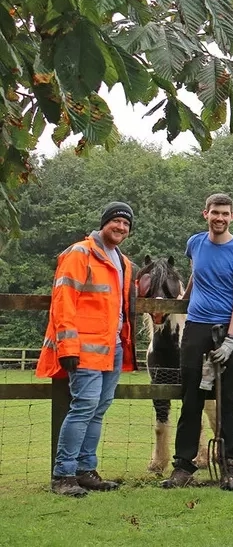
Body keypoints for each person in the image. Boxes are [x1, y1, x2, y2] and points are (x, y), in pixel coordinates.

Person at [38, 202, 138, 497]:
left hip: (113, 347)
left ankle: (86, 470)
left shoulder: (124, 262)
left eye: (126, 224)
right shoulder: (80, 253)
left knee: (98, 410)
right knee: (83, 408)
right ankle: (64, 475)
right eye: (116, 221)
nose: (121, 227)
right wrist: (67, 345)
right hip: (84, 347)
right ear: (104, 222)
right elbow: (63, 300)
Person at [162, 193, 233, 491]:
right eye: (215, 213)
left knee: (229, 399)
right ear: (206, 214)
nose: (220, 218)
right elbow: (195, 276)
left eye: (225, 214)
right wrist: (182, 302)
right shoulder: (195, 243)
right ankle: (183, 466)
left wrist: (231, 340)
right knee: (191, 396)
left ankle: (229, 465)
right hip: (196, 327)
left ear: (232, 217)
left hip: (229, 326)